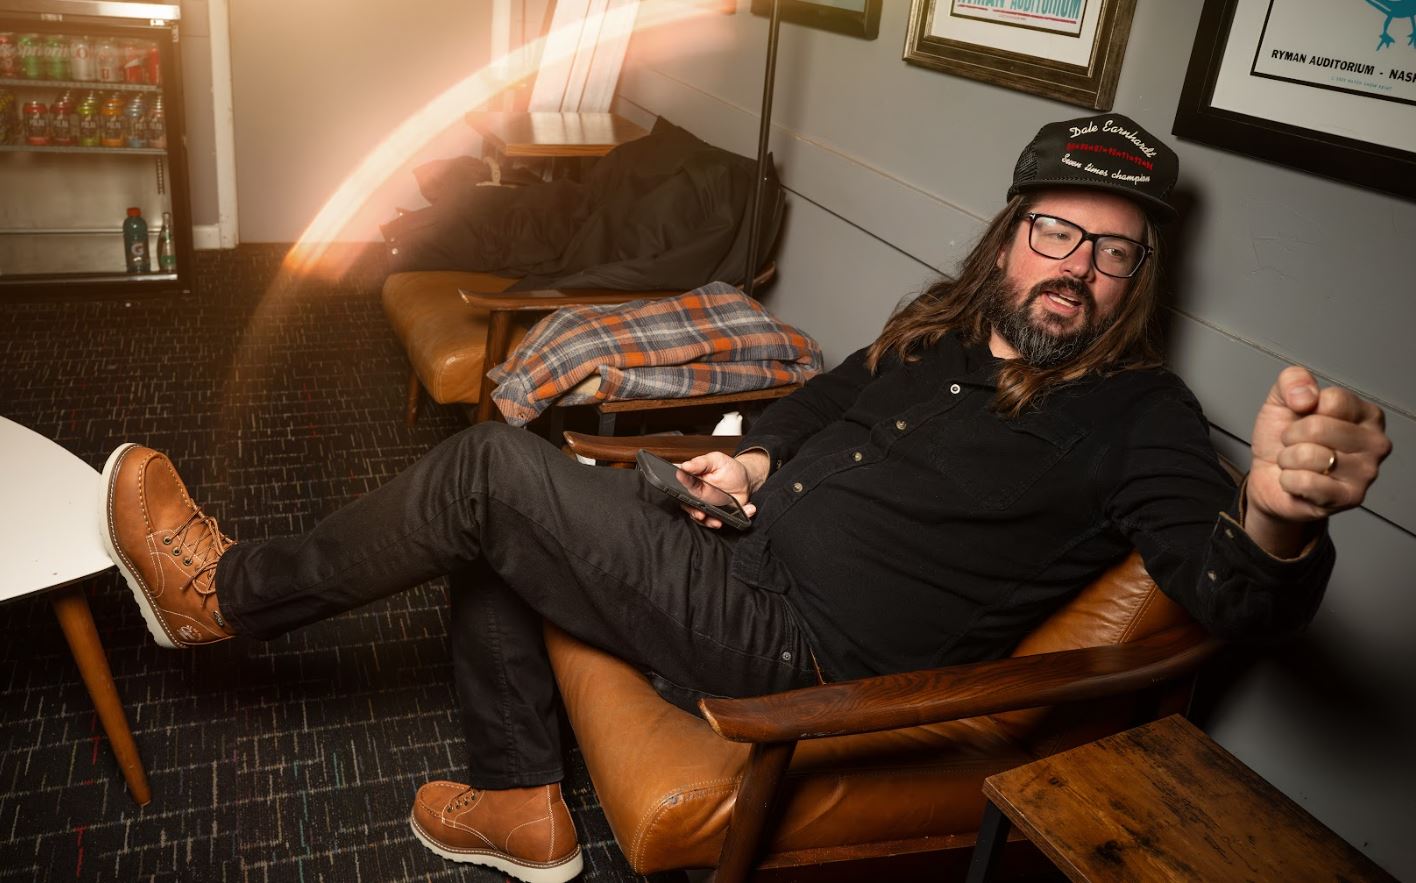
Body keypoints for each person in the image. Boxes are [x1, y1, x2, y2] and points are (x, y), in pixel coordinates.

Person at [98, 113, 1391, 883]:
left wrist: (1280, 514)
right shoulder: (946, 330)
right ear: (1009, 242)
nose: (1079, 272)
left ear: (1134, 282)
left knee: (493, 476)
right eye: (1057, 235)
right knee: (506, 484)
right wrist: (757, 457)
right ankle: (522, 804)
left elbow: (1227, 587)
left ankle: (225, 596)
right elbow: (826, 398)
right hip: (739, 549)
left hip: (797, 655)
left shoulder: (1140, 418)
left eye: (1113, 255)